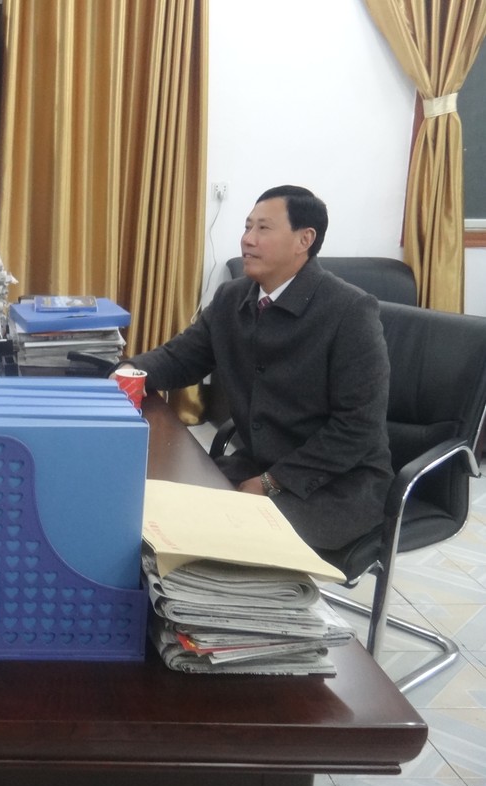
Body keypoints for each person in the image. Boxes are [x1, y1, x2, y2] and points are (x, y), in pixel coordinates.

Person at [116, 185, 392, 551]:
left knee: (230, 542)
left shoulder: (349, 311)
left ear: (304, 239)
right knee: (157, 508)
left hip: (336, 483)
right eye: (247, 227)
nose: (247, 239)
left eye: (263, 228)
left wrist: (272, 482)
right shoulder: (232, 298)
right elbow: (182, 357)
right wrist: (128, 373)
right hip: (259, 462)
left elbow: (358, 427)